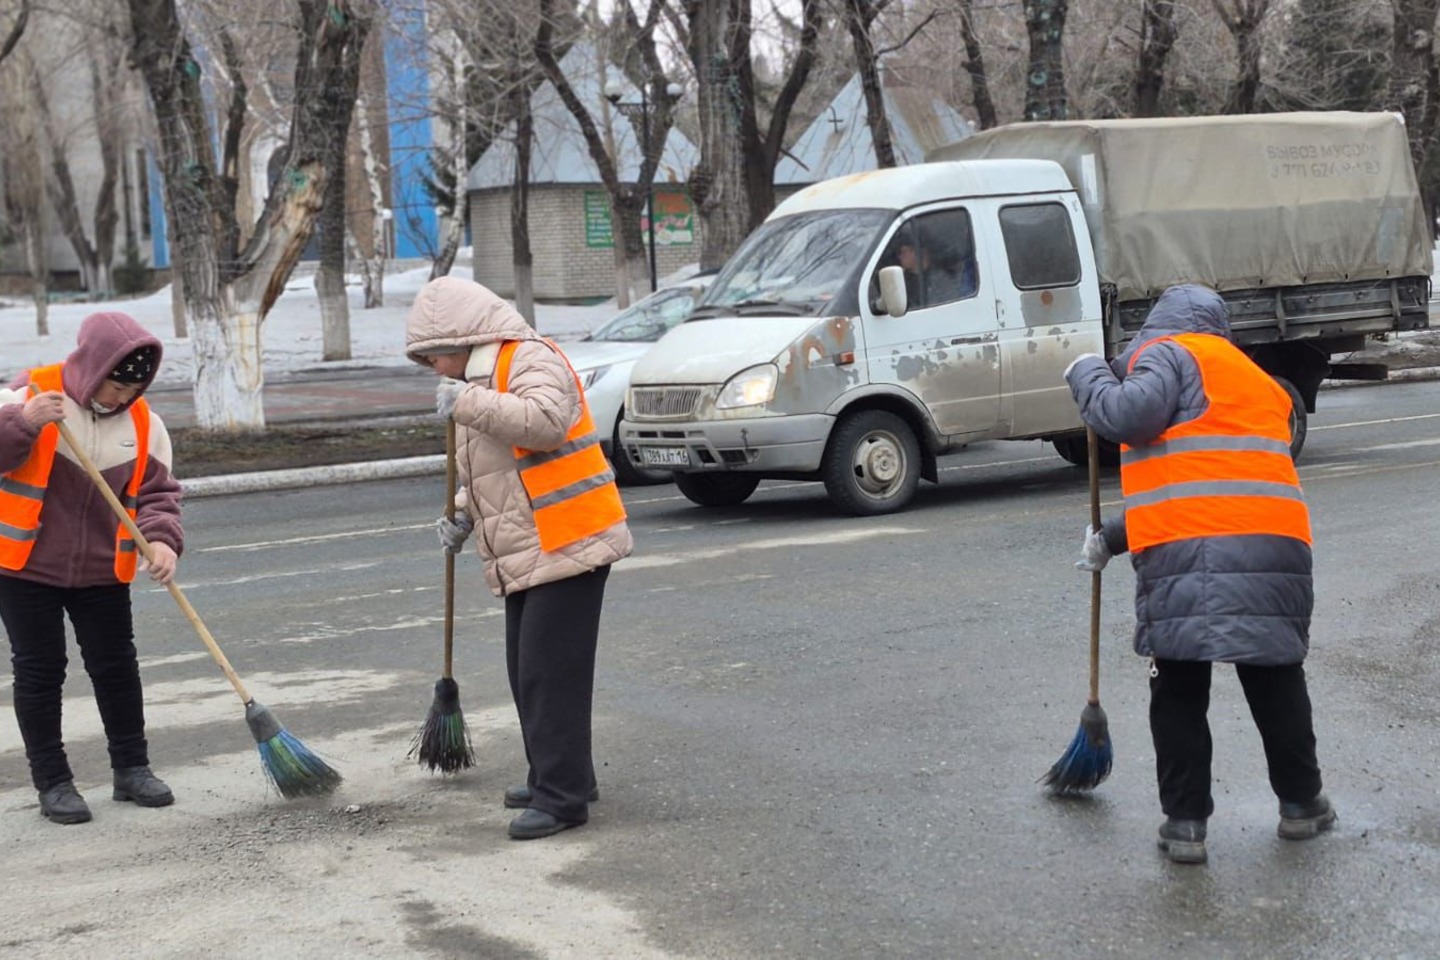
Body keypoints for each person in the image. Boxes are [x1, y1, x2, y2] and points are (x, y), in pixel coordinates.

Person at [1064, 284, 1335, 865]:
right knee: (1275, 680)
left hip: (1190, 555)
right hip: (1277, 547)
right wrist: (1112, 538)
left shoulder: (1169, 353)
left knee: (1180, 689)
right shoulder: (1254, 379)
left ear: (1160, 322)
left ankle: (1186, 825)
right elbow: (1208, 479)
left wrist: (1086, 372)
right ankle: (1303, 804)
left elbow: (1127, 416)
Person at [405, 276, 633, 841]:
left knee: (548, 675)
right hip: (533, 542)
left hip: (570, 538)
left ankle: (562, 800)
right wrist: (464, 513)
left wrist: (468, 403)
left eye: (434, 356)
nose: (434, 369)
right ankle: (561, 776)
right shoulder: (478, 380)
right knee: (528, 671)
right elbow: (500, 472)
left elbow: (545, 424)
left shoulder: (528, 358)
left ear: (462, 338)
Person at [0, 311, 183, 825]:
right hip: (25, 567)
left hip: (102, 569)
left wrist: (162, 541)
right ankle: (54, 782)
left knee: (116, 667)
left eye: (133, 389)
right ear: (93, 366)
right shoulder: (30, 394)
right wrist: (25, 424)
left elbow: (159, 495)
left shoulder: (144, 424)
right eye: (115, 385)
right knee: (40, 672)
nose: (122, 398)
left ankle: (132, 769)